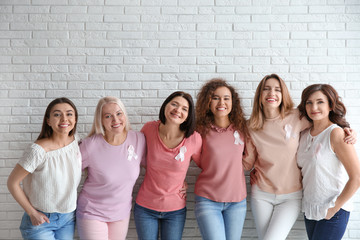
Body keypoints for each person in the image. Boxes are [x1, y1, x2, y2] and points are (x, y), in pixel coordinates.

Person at [243, 74, 356, 240]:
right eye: (266, 89)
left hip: (293, 196)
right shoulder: (251, 125)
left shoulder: (296, 117)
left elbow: (324, 122)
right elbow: (248, 162)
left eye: (277, 89)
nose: (271, 93)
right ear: (259, 94)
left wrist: (348, 130)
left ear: (283, 94)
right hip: (264, 193)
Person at [7, 97, 81, 240]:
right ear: (48, 121)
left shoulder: (76, 141)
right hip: (41, 221)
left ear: (75, 119)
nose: (64, 119)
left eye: (69, 114)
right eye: (57, 114)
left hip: (68, 218)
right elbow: (12, 183)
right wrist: (32, 213)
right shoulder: (38, 151)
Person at [134, 91, 202, 240]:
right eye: (174, 104)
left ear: (189, 115)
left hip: (175, 211)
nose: (178, 110)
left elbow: (205, 166)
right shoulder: (149, 129)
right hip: (145, 207)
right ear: (166, 105)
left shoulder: (194, 139)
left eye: (184, 109)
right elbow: (137, 158)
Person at [76, 96, 146, 240]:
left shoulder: (138, 139)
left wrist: (177, 183)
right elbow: (68, 174)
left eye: (119, 114)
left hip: (121, 213)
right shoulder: (90, 146)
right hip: (92, 211)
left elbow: (156, 166)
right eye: (108, 116)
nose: (115, 120)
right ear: (100, 120)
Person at [297, 84, 360, 240]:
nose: (314, 107)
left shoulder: (336, 133)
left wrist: (334, 207)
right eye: (309, 102)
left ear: (331, 105)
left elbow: (357, 177)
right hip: (311, 209)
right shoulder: (303, 134)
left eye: (320, 102)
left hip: (333, 210)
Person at [193, 78, 252, 240]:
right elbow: (194, 160)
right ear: (208, 102)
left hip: (237, 201)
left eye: (226, 98)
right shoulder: (199, 130)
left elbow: (250, 157)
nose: (222, 102)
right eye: (215, 97)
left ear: (233, 102)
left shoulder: (243, 128)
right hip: (207, 200)